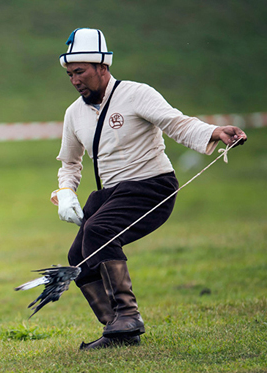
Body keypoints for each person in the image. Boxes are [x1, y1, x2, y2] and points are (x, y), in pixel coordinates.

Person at [50, 28, 247, 350]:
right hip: (110, 193)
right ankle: (119, 332)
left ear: (102, 67)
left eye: (80, 72)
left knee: (99, 232)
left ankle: (128, 316)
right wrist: (66, 192)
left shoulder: (137, 93)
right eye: (70, 74)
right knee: (77, 256)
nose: (74, 80)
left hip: (151, 185)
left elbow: (176, 123)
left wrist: (214, 131)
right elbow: (69, 162)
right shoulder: (73, 113)